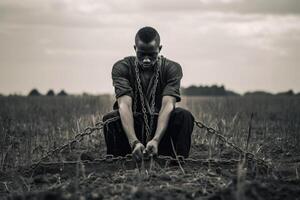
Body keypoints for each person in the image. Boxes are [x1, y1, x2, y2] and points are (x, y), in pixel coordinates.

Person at [103, 26, 194, 162]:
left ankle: (176, 163)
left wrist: (156, 140)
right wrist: (134, 142)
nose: (146, 60)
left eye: (151, 55)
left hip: (162, 131)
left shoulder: (172, 68)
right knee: (110, 119)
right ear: (135, 49)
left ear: (160, 49)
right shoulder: (122, 68)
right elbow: (124, 105)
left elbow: (168, 104)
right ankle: (121, 161)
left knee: (184, 116)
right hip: (133, 128)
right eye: (141, 54)